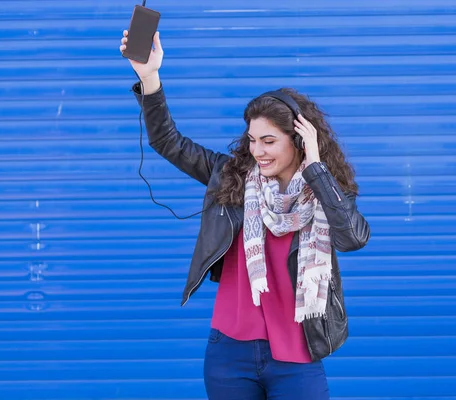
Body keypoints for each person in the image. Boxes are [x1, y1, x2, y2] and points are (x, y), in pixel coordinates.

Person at [120, 30, 370, 400]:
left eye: (269, 141)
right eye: (253, 140)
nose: (258, 151)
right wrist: (150, 78)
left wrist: (316, 168)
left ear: (299, 141)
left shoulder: (325, 192)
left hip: (296, 353)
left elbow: (352, 238)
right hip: (229, 351)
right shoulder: (230, 177)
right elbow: (167, 142)